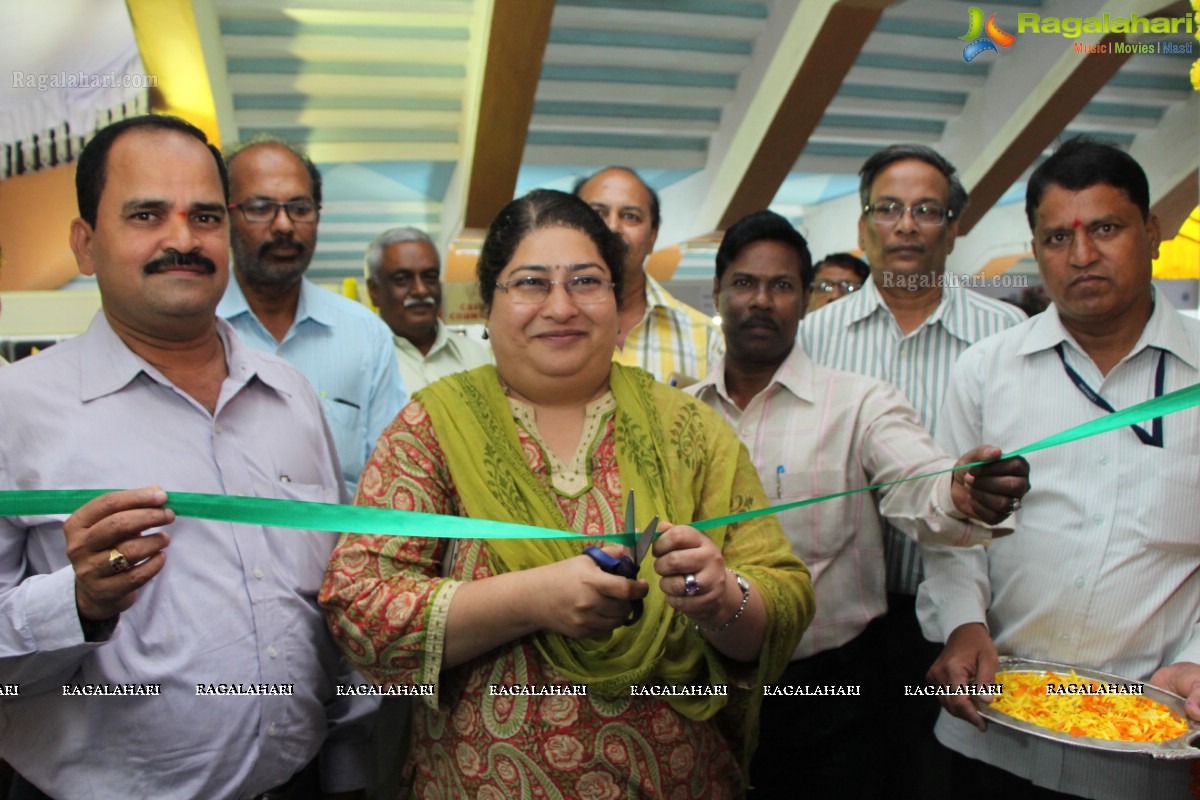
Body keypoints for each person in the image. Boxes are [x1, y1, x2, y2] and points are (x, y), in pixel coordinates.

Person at [319, 190, 813, 800]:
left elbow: (783, 595)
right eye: (530, 283)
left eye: (586, 281)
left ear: (616, 296)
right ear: (489, 300)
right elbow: (362, 610)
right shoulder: (433, 428)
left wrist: (723, 599)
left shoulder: (690, 431)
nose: (561, 307)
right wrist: (531, 598)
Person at [0, 114, 373, 799]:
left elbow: (329, 594)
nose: (181, 240)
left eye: (204, 217)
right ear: (85, 245)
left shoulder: (289, 395)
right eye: (145, 214)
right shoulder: (15, 409)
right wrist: (74, 602)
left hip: (301, 782)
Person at [687, 210, 1029, 798]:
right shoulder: (682, 415)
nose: (762, 300)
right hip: (705, 689)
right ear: (718, 292)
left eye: (783, 285)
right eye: (745, 283)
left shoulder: (859, 404)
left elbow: (917, 480)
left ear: (804, 301)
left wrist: (960, 489)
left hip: (833, 695)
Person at [919, 137, 1200, 800]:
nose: (1081, 256)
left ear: (1152, 231)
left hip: (1140, 745)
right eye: (1055, 238)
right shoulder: (985, 370)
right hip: (988, 733)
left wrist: (1196, 660)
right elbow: (952, 528)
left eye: (1105, 228)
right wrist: (963, 623)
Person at [798, 143, 1026, 795]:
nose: (906, 225)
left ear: (953, 228)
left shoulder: (1004, 336)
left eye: (927, 210)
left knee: (955, 778)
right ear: (864, 226)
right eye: (888, 209)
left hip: (971, 618)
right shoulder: (816, 338)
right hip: (843, 617)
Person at [219, 135, 406, 496]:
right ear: (224, 216)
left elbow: (390, 480)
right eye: (261, 208)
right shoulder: (193, 329)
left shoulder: (364, 334)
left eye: (300, 208)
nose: (284, 225)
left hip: (340, 551)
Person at [574, 166, 723, 386]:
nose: (613, 227)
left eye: (630, 216)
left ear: (653, 237)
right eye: (598, 213)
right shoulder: (539, 327)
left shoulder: (707, 339)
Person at [364, 225, 491, 392]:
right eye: (402, 279)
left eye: (430, 277)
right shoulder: (361, 361)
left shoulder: (474, 355)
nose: (421, 290)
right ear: (374, 291)